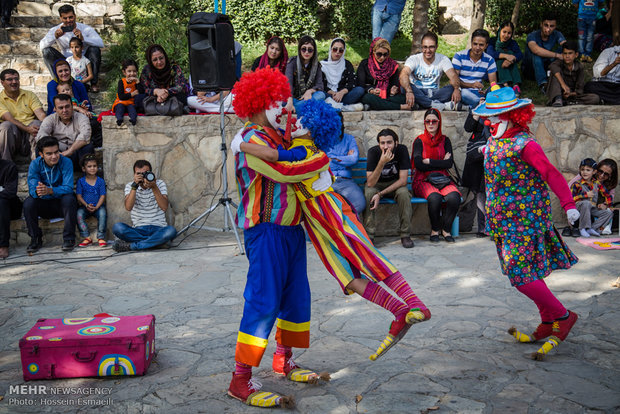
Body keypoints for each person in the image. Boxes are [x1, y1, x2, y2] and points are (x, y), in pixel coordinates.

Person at [233, 99, 430, 362]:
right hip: (313, 227)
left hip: (332, 215)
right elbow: (277, 155)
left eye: (300, 119)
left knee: (366, 255)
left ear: (313, 128)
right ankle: (397, 311)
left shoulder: (314, 154)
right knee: (346, 277)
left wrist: (240, 145)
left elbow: (283, 170)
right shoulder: (285, 142)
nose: (291, 118)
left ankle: (415, 303)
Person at [227, 68, 330, 408]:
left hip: (291, 230)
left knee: (294, 296)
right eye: (274, 100)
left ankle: (283, 359)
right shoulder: (252, 138)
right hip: (266, 229)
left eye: (283, 100)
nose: (283, 107)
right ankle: (240, 379)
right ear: (256, 103)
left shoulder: (277, 136)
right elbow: (287, 169)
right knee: (263, 300)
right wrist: (311, 158)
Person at [473, 85, 580, 360]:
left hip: (525, 221)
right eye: (489, 116)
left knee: (520, 275)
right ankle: (548, 322)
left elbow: (551, 173)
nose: (490, 120)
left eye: (495, 116)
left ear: (513, 115)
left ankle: (562, 316)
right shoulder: (497, 139)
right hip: (503, 221)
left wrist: (568, 204)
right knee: (526, 272)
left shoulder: (526, 145)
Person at [411, 108, 461, 243]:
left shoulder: (445, 140)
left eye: (434, 121)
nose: (431, 124)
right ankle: (435, 230)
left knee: (455, 197)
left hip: (442, 179)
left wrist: (429, 161)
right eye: (428, 121)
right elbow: (419, 165)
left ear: (439, 122)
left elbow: (449, 164)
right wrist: (441, 162)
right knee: (435, 198)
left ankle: (446, 230)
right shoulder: (419, 141)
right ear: (424, 123)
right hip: (423, 179)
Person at [23, 136, 77, 253]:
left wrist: (50, 190)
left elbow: (68, 188)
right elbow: (32, 189)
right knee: (28, 203)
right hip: (43, 203)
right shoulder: (35, 164)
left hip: (60, 205)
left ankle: (69, 239)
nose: (54, 156)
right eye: (49, 154)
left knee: (70, 199)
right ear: (41, 154)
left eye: (56, 152)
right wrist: (39, 191)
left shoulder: (66, 162)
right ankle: (35, 238)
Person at [112, 160, 177, 252]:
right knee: (117, 228)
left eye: (145, 173)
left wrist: (154, 187)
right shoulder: (130, 186)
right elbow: (128, 207)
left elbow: (164, 207)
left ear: (151, 173)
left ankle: (132, 246)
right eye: (139, 174)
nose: (142, 176)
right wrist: (135, 186)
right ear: (134, 175)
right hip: (138, 229)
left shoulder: (159, 184)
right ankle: (157, 243)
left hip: (158, 228)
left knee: (171, 231)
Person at [364, 128, 414, 248]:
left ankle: (405, 234)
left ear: (396, 143)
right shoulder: (373, 152)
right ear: (378, 144)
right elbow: (370, 183)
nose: (386, 146)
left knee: (404, 194)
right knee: (369, 193)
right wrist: (381, 163)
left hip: (395, 184)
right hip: (376, 184)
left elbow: (402, 181)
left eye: (389, 142)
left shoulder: (401, 150)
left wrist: (380, 194)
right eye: (382, 143)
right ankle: (369, 236)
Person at [39, 4, 104, 92]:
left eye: (71, 17)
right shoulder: (56, 30)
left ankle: (93, 83)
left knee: (94, 49)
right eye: (65, 18)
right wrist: (55, 37)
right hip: (66, 61)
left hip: (83, 60)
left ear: (75, 16)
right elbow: (41, 46)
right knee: (46, 51)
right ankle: (59, 83)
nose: (68, 20)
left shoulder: (85, 28)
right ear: (61, 18)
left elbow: (100, 43)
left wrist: (83, 38)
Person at [400, 31, 462, 111]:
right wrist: (409, 91)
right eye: (425, 47)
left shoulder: (443, 59)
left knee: (451, 89)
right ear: (421, 47)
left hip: (435, 93)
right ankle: (437, 105)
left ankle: (422, 104)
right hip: (417, 92)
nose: (428, 50)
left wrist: (457, 88)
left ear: (436, 47)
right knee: (403, 86)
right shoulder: (414, 59)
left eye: (431, 47)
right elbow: (404, 74)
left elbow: (453, 75)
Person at [36, 94, 93, 170]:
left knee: (88, 147)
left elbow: (85, 135)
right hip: (56, 156)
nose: (64, 110)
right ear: (55, 109)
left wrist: (70, 151)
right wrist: (55, 152)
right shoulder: (50, 119)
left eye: (67, 106)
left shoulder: (81, 118)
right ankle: (46, 174)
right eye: (60, 108)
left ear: (72, 107)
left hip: (75, 153)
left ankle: (86, 176)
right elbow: (41, 135)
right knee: (40, 147)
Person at [0, 69, 46, 161]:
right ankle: (6, 164)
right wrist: (27, 129)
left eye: (16, 79)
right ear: (2, 82)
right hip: (13, 135)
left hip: (30, 134)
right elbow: (9, 119)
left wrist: (49, 124)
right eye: (10, 79)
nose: (14, 82)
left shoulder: (29, 95)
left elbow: (41, 114)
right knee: (6, 126)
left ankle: (37, 162)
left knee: (37, 124)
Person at [327, 113, 366, 214]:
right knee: (325, 207)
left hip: (346, 181)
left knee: (360, 203)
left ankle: (344, 225)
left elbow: (353, 159)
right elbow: (324, 161)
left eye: (340, 122)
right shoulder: (323, 140)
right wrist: (345, 159)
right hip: (327, 181)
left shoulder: (349, 139)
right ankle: (336, 226)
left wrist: (333, 158)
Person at [358, 38, 411, 111]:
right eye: (379, 54)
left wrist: (393, 91)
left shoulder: (392, 65)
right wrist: (371, 90)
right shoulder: (365, 64)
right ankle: (400, 107)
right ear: (373, 51)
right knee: (368, 98)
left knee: (404, 98)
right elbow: (360, 84)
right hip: (371, 94)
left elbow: (394, 84)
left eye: (385, 54)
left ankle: (376, 105)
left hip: (387, 95)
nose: (382, 57)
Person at [452, 29, 498, 108]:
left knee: (495, 92)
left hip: (479, 92)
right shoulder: (459, 56)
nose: (477, 47)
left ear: (486, 45)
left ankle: (476, 104)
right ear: (471, 43)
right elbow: (453, 79)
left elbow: (493, 83)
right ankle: (481, 104)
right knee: (464, 93)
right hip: (462, 90)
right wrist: (471, 85)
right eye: (475, 44)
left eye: (481, 45)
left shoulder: (490, 60)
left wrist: (490, 91)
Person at [462, 109, 490, 237]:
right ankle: (483, 228)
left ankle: (495, 226)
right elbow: (468, 127)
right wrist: (477, 113)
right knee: (479, 192)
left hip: (494, 154)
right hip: (477, 158)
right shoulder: (478, 109)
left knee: (492, 192)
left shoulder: (501, 110)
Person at [522, 13, 567, 93]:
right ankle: (543, 84)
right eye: (546, 25)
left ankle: (562, 75)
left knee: (564, 50)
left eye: (551, 26)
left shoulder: (557, 34)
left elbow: (566, 46)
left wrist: (566, 53)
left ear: (555, 27)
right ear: (541, 24)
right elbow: (536, 50)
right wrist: (557, 55)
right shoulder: (532, 35)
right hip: (530, 69)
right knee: (537, 55)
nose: (548, 29)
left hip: (545, 64)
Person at [546, 41, 600, 106]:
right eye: (565, 53)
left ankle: (567, 103)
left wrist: (570, 94)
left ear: (576, 55)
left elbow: (579, 90)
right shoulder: (559, 63)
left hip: (571, 95)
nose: (567, 56)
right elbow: (552, 66)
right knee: (555, 72)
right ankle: (557, 99)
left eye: (570, 53)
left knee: (595, 98)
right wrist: (563, 85)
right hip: (558, 92)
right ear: (562, 55)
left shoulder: (579, 67)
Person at [571, 158, 613, 237]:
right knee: (586, 203)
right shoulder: (577, 184)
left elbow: (607, 195)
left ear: (594, 172)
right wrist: (585, 195)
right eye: (582, 169)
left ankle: (592, 229)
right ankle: (582, 228)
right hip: (579, 207)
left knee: (608, 213)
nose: (584, 172)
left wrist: (608, 205)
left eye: (588, 170)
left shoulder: (597, 183)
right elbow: (571, 198)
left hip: (592, 207)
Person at [321, 38, 365, 111]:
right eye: (335, 49)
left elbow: (352, 82)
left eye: (341, 50)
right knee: (320, 94)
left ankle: (333, 105)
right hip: (328, 94)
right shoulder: (322, 65)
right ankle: (345, 107)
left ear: (343, 52)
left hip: (343, 96)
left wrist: (341, 93)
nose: (337, 52)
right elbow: (320, 84)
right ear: (330, 49)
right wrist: (333, 93)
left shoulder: (347, 64)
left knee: (359, 90)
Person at [285, 35, 326, 112]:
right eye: (304, 49)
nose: (306, 52)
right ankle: (304, 107)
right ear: (299, 50)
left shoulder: (316, 65)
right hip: (293, 97)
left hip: (309, 97)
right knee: (282, 101)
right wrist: (290, 101)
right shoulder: (292, 62)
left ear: (314, 51)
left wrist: (309, 91)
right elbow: (288, 83)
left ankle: (297, 108)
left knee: (321, 95)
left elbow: (320, 85)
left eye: (310, 50)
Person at [76, 154, 107, 247]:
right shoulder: (81, 181)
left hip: (98, 206)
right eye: (89, 166)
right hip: (85, 206)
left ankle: (101, 237)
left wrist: (97, 206)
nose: (92, 168)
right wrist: (86, 205)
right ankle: (87, 238)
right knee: (79, 214)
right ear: (84, 169)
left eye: (95, 166)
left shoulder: (100, 181)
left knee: (103, 213)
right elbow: (79, 196)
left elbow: (102, 195)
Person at [486, 21, 523, 95]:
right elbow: (490, 54)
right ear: (500, 30)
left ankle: (516, 86)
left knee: (512, 55)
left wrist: (510, 60)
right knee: (503, 57)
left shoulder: (512, 43)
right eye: (504, 32)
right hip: (495, 70)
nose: (506, 35)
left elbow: (520, 54)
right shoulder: (493, 41)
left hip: (509, 67)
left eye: (509, 33)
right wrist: (506, 56)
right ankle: (505, 84)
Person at [583, 40, 620, 105]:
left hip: (617, 86)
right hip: (603, 84)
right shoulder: (608, 52)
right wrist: (614, 64)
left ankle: (605, 100)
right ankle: (612, 100)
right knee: (589, 86)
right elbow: (599, 73)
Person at [112, 59, 144, 126]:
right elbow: (121, 96)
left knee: (132, 110)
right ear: (124, 72)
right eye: (129, 71)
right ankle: (119, 119)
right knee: (120, 108)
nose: (132, 73)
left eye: (134, 71)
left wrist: (138, 82)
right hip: (121, 102)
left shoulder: (136, 82)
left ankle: (133, 119)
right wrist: (132, 94)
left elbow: (141, 92)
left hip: (130, 103)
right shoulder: (121, 82)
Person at [0, 158, 20, 258]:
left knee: (1, 202)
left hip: (10, 208)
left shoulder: (9, 166)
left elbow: (11, 192)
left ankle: (3, 245)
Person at [595, 158, 618, 234]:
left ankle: (601, 228)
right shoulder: (587, 175)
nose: (601, 175)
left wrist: (604, 205)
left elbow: (609, 201)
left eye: (606, 174)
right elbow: (569, 190)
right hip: (585, 209)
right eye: (600, 171)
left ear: (610, 176)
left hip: (599, 211)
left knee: (614, 214)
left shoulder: (609, 186)